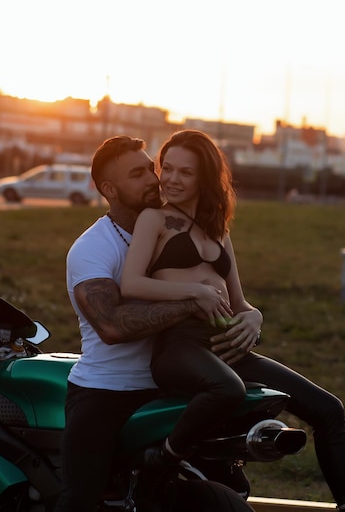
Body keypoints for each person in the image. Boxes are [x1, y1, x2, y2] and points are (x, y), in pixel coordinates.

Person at [120, 129, 345, 509]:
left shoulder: (219, 230)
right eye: (167, 168)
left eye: (185, 172)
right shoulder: (154, 220)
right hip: (180, 346)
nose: (172, 179)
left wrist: (255, 319)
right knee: (228, 389)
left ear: (205, 177)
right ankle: (163, 461)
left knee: (330, 410)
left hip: (230, 347)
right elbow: (131, 283)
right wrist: (195, 292)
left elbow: (240, 302)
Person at [53, 135, 230, 512]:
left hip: (170, 382)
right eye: (138, 174)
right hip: (106, 391)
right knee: (80, 500)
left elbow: (226, 291)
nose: (154, 179)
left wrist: (251, 317)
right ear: (109, 190)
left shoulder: (180, 229)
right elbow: (113, 327)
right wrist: (193, 299)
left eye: (151, 168)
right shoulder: (93, 248)